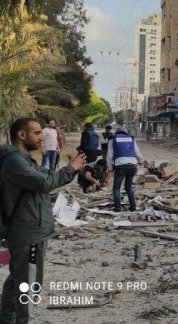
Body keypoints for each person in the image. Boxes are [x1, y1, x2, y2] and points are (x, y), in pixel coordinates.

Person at [0, 118, 86, 323]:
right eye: (37, 133)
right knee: (29, 283)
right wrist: (71, 168)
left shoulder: (23, 159)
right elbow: (45, 183)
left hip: (28, 228)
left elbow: (47, 178)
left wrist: (72, 169)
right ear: (22, 135)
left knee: (18, 278)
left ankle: (7, 318)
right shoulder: (15, 161)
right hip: (28, 231)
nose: (42, 137)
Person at [106, 126, 142, 212]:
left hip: (120, 165)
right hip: (132, 165)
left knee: (116, 187)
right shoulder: (131, 139)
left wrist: (110, 168)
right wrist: (140, 161)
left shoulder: (113, 139)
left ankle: (118, 207)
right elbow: (138, 153)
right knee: (128, 186)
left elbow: (110, 156)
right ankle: (133, 207)